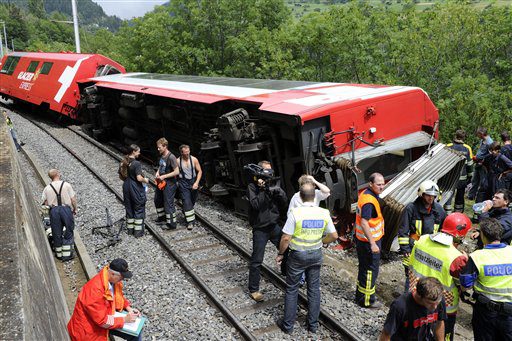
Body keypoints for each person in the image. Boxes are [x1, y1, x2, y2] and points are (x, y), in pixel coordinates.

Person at [275, 182, 338, 334]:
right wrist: (321, 242)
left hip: (297, 255)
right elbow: (334, 235)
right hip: (316, 254)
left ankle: (288, 326)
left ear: (300, 196)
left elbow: (285, 238)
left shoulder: (295, 213)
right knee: (314, 290)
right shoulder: (323, 213)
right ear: (314, 196)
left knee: (292, 289)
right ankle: (313, 326)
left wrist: (281, 254)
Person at [407, 213, 471, 341]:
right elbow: (465, 287)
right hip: (443, 306)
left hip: (417, 296)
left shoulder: (423, 239)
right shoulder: (457, 258)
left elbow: (410, 264)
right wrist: (468, 264)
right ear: (460, 235)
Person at [460, 218, 512, 341]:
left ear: (482, 235)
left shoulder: (477, 257)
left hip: (486, 312)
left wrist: (466, 263)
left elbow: (465, 285)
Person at [67, 258, 142, 341]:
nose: (123, 280)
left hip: (101, 320)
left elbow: (118, 297)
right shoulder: (94, 291)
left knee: (136, 335)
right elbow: (103, 321)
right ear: (113, 274)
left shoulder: (112, 281)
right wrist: (124, 320)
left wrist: (129, 308)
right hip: (88, 332)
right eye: (122, 277)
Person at [247, 160, 287, 302]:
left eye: (270, 172)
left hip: (274, 225)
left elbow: (284, 202)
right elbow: (256, 205)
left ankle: (286, 273)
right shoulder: (252, 187)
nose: (269, 175)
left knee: (287, 250)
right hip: (260, 229)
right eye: (266, 172)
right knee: (257, 260)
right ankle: (254, 289)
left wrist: (277, 191)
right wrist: (263, 190)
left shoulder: (273, 184)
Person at [398, 180, 446, 291]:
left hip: (431, 251)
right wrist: (405, 249)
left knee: (428, 280)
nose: (431, 198)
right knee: (412, 277)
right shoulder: (411, 208)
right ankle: (408, 299)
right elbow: (403, 230)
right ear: (422, 194)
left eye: (433, 196)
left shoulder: (439, 210)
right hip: (414, 248)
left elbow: (443, 231)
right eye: (428, 195)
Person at [379, 277, 447, 341]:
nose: (435, 307)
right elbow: (386, 334)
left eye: (437, 303)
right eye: (430, 303)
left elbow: (439, 323)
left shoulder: (438, 300)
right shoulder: (400, 306)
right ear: (419, 296)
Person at [355, 172, 385, 308]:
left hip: (363, 240)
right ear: (371, 184)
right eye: (378, 184)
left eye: (382, 184)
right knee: (370, 271)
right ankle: (367, 301)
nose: (381, 187)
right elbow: (364, 222)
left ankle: (360, 296)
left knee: (364, 268)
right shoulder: (369, 201)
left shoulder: (366, 194)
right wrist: (373, 243)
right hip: (369, 242)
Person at [41, 169, 77, 261]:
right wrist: (75, 209)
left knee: (56, 232)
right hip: (66, 209)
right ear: (58, 174)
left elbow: (45, 203)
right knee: (69, 231)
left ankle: (59, 254)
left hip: (54, 211)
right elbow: (73, 199)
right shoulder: (66, 185)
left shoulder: (47, 188)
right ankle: (67, 255)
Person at [121, 144, 149, 237]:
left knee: (129, 208)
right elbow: (139, 178)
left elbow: (121, 175)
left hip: (126, 186)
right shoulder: (136, 163)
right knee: (138, 208)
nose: (139, 153)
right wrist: (146, 180)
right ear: (133, 151)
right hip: (135, 187)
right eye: (138, 151)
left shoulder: (124, 161)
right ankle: (138, 232)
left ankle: (130, 231)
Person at [445, 129, 474, 214]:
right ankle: (458, 214)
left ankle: (447, 214)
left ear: (455, 136)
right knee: (460, 197)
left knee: (448, 195)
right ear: (464, 137)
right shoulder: (467, 148)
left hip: (450, 177)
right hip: (462, 178)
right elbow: (470, 165)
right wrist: (470, 177)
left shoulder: (448, 146)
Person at [153, 138, 179, 230]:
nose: (158, 149)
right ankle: (162, 218)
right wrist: (158, 172)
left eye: (159, 147)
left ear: (165, 146)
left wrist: (164, 176)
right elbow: (161, 165)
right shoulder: (162, 156)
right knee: (157, 200)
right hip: (161, 182)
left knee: (168, 203)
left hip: (169, 183)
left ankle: (171, 224)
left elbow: (176, 172)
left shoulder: (171, 157)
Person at [177, 144, 202, 230]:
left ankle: (186, 211)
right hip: (183, 183)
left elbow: (199, 171)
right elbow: (175, 172)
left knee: (192, 201)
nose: (187, 154)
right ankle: (190, 222)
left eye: (188, 152)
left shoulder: (194, 159)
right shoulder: (178, 161)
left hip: (193, 182)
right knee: (186, 201)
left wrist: (196, 183)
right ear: (181, 153)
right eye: (185, 153)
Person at [468, 127, 493, 202]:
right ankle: (471, 196)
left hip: (483, 165)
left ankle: (481, 198)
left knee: (483, 182)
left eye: (478, 133)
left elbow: (491, 155)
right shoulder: (482, 140)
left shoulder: (489, 142)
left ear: (481, 133)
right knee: (475, 180)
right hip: (478, 163)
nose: (477, 135)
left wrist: (482, 160)